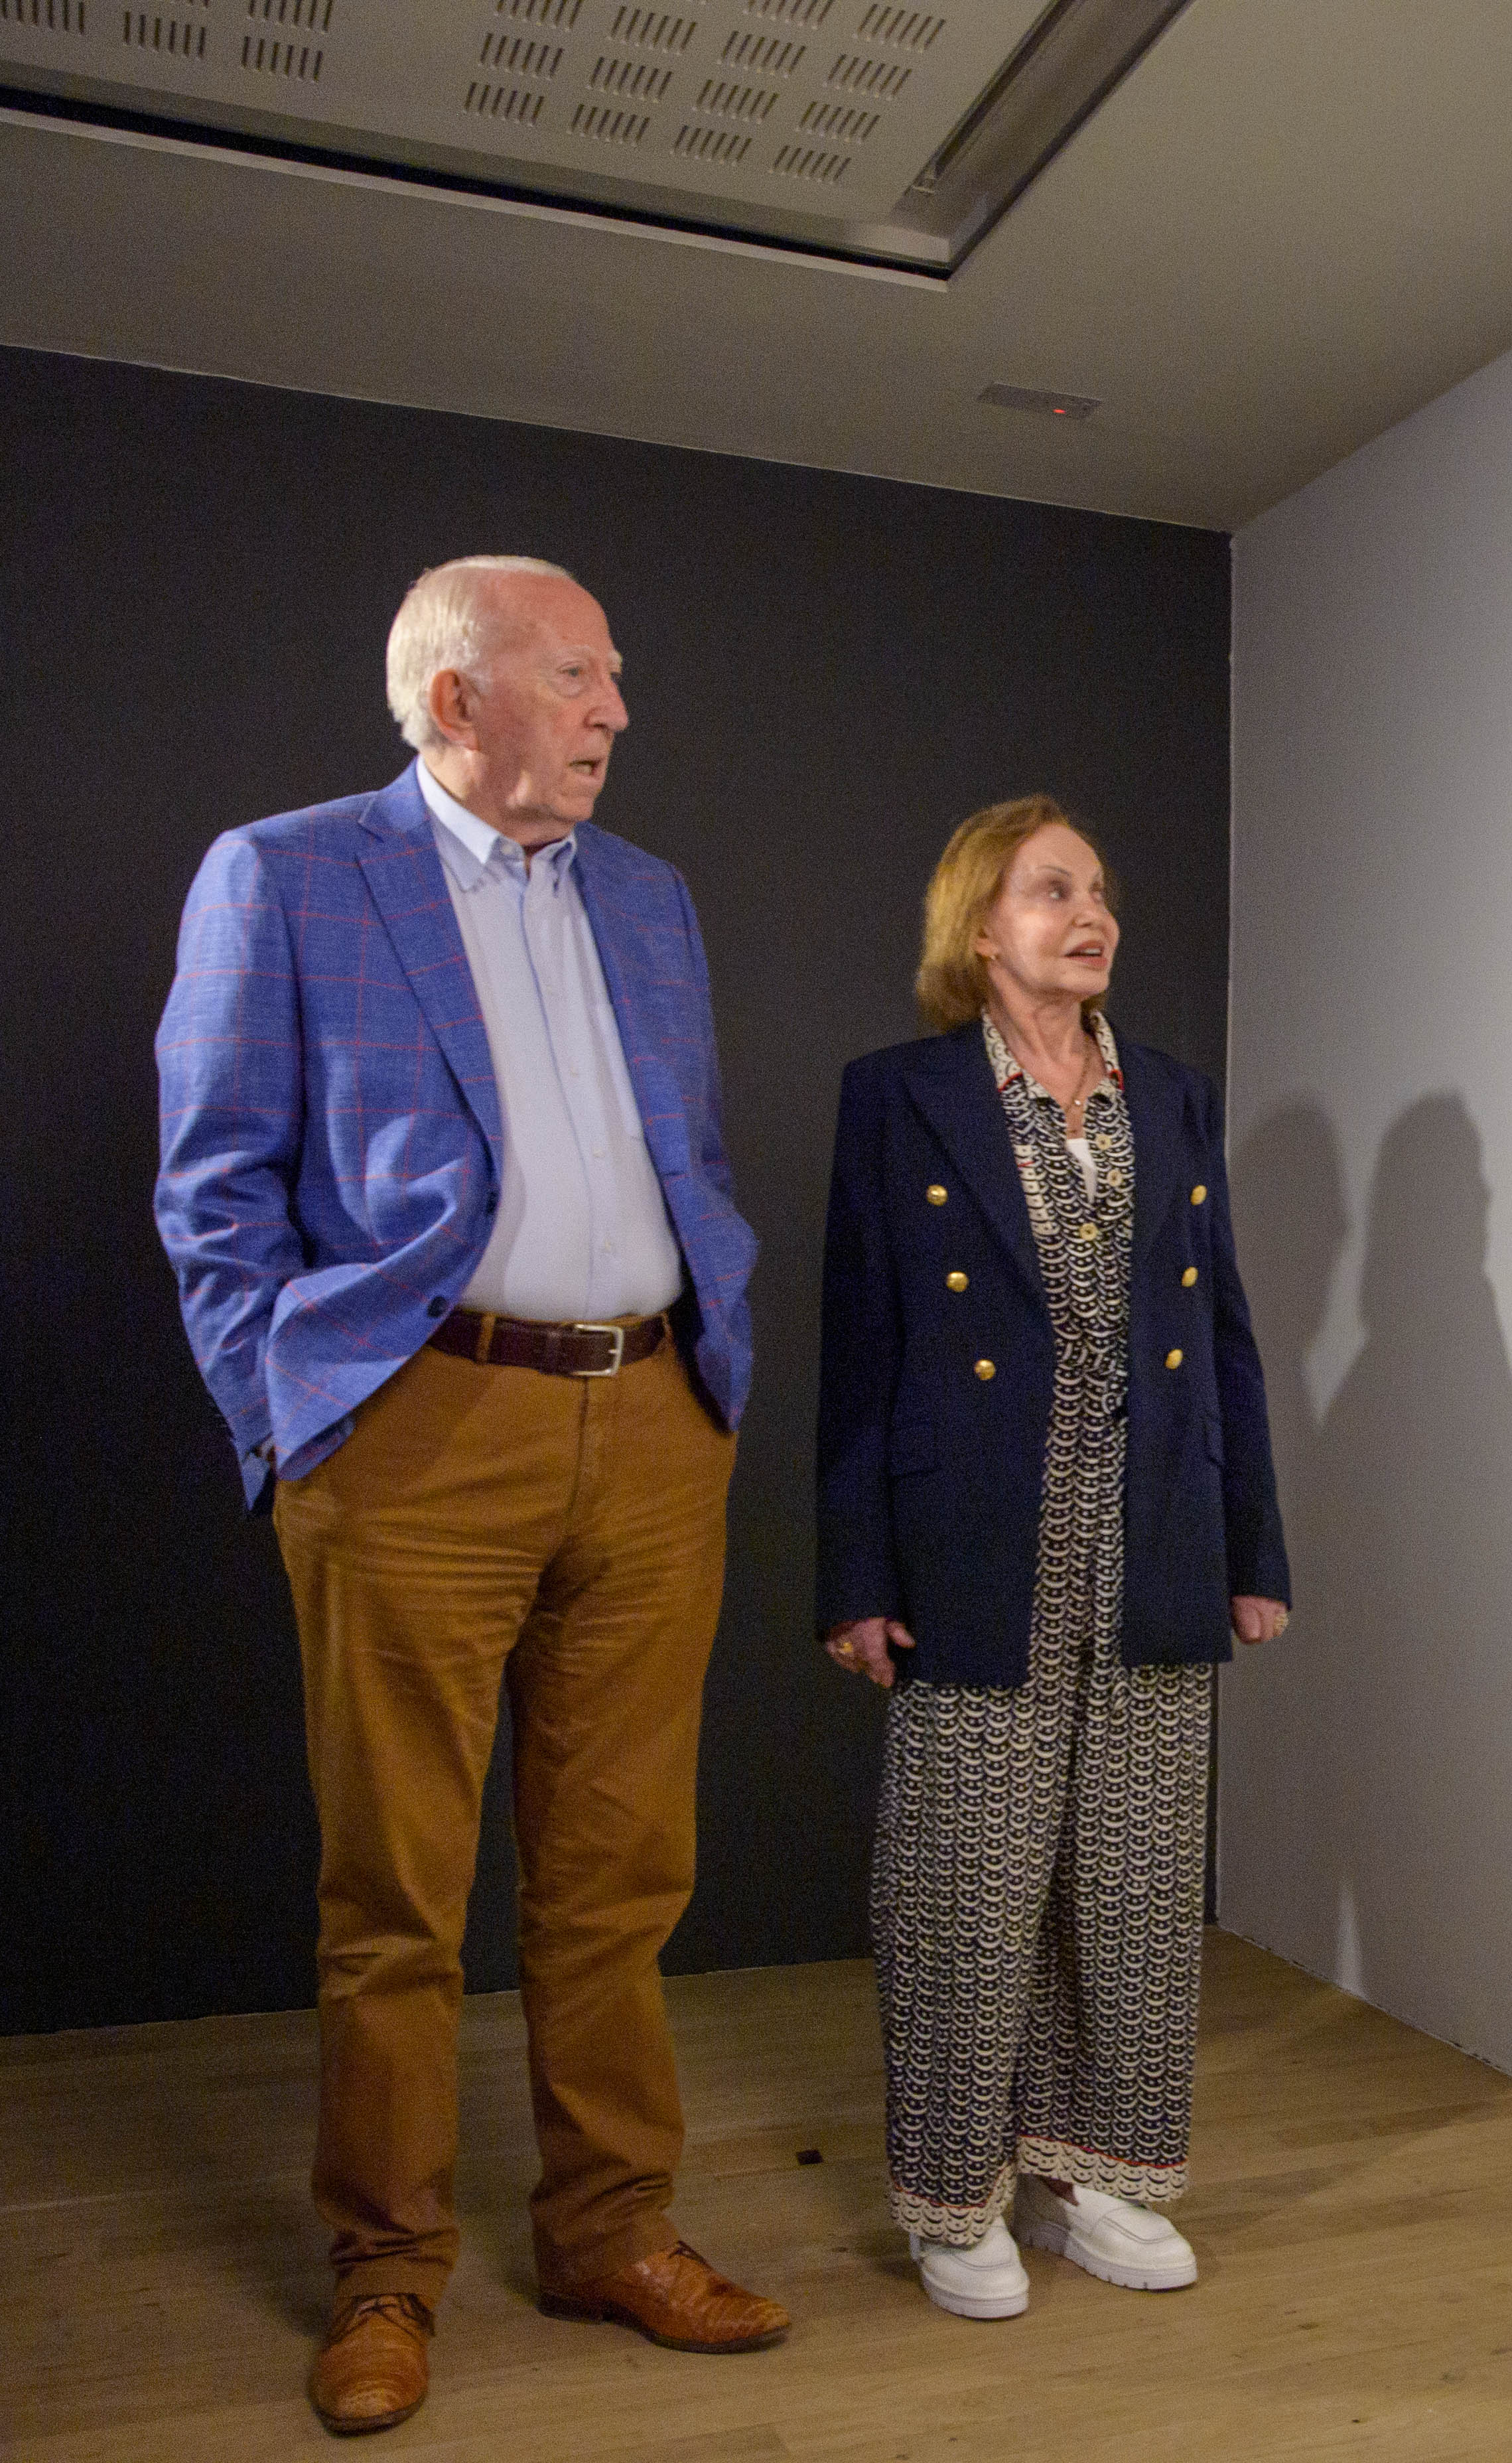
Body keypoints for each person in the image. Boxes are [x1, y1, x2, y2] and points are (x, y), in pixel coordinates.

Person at [155, 555, 788, 2435]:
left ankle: (612, 2230)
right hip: (417, 1434)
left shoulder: (653, 901)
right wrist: (292, 1425)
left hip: (654, 1425)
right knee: (399, 1896)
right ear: (456, 702)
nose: (613, 713)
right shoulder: (284, 874)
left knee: (618, 1883)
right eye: (579, 678)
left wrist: (706, 1363)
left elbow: (687, 1144)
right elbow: (214, 1190)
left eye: (613, 680)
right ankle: (387, 2273)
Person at [814, 798, 1290, 2320]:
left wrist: (1250, 1544)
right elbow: (860, 1350)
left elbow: (1225, 1340)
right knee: (965, 1878)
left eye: (1101, 889)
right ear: (980, 928)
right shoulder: (899, 1098)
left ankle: (1104, 2169)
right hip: (975, 1539)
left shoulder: (1172, 1095)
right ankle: (957, 2196)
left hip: (1152, 1528)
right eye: (1054, 889)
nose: (1094, 913)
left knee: (1139, 1875)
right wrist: (854, 1573)